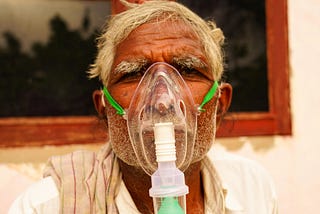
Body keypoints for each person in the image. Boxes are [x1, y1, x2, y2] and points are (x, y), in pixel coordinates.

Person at [9, 0, 278, 213]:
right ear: (104, 110)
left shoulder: (253, 190)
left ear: (219, 106)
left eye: (186, 70)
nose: (162, 100)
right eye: (133, 74)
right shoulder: (45, 207)